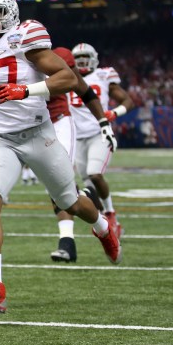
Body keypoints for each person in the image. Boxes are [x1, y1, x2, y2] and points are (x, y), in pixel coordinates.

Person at [0, 0, 121, 315]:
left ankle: (103, 226)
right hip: (0, 137)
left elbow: (67, 78)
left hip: (37, 133)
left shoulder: (25, 36)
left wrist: (26, 89)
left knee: (69, 201)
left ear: (10, 13)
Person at [48, 47, 116, 263]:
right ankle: (89, 196)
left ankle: (68, 243)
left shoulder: (56, 56)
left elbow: (84, 90)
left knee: (63, 182)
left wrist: (105, 121)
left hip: (60, 122)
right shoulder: (2, 57)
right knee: (56, 187)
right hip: (27, 129)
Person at [71, 42, 135, 238]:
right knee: (89, 186)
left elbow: (128, 101)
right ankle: (105, 221)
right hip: (77, 138)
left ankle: (111, 214)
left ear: (94, 60)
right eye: (78, 59)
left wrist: (113, 113)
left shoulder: (103, 75)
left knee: (95, 174)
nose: (82, 63)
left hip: (99, 133)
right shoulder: (67, 77)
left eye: (85, 59)